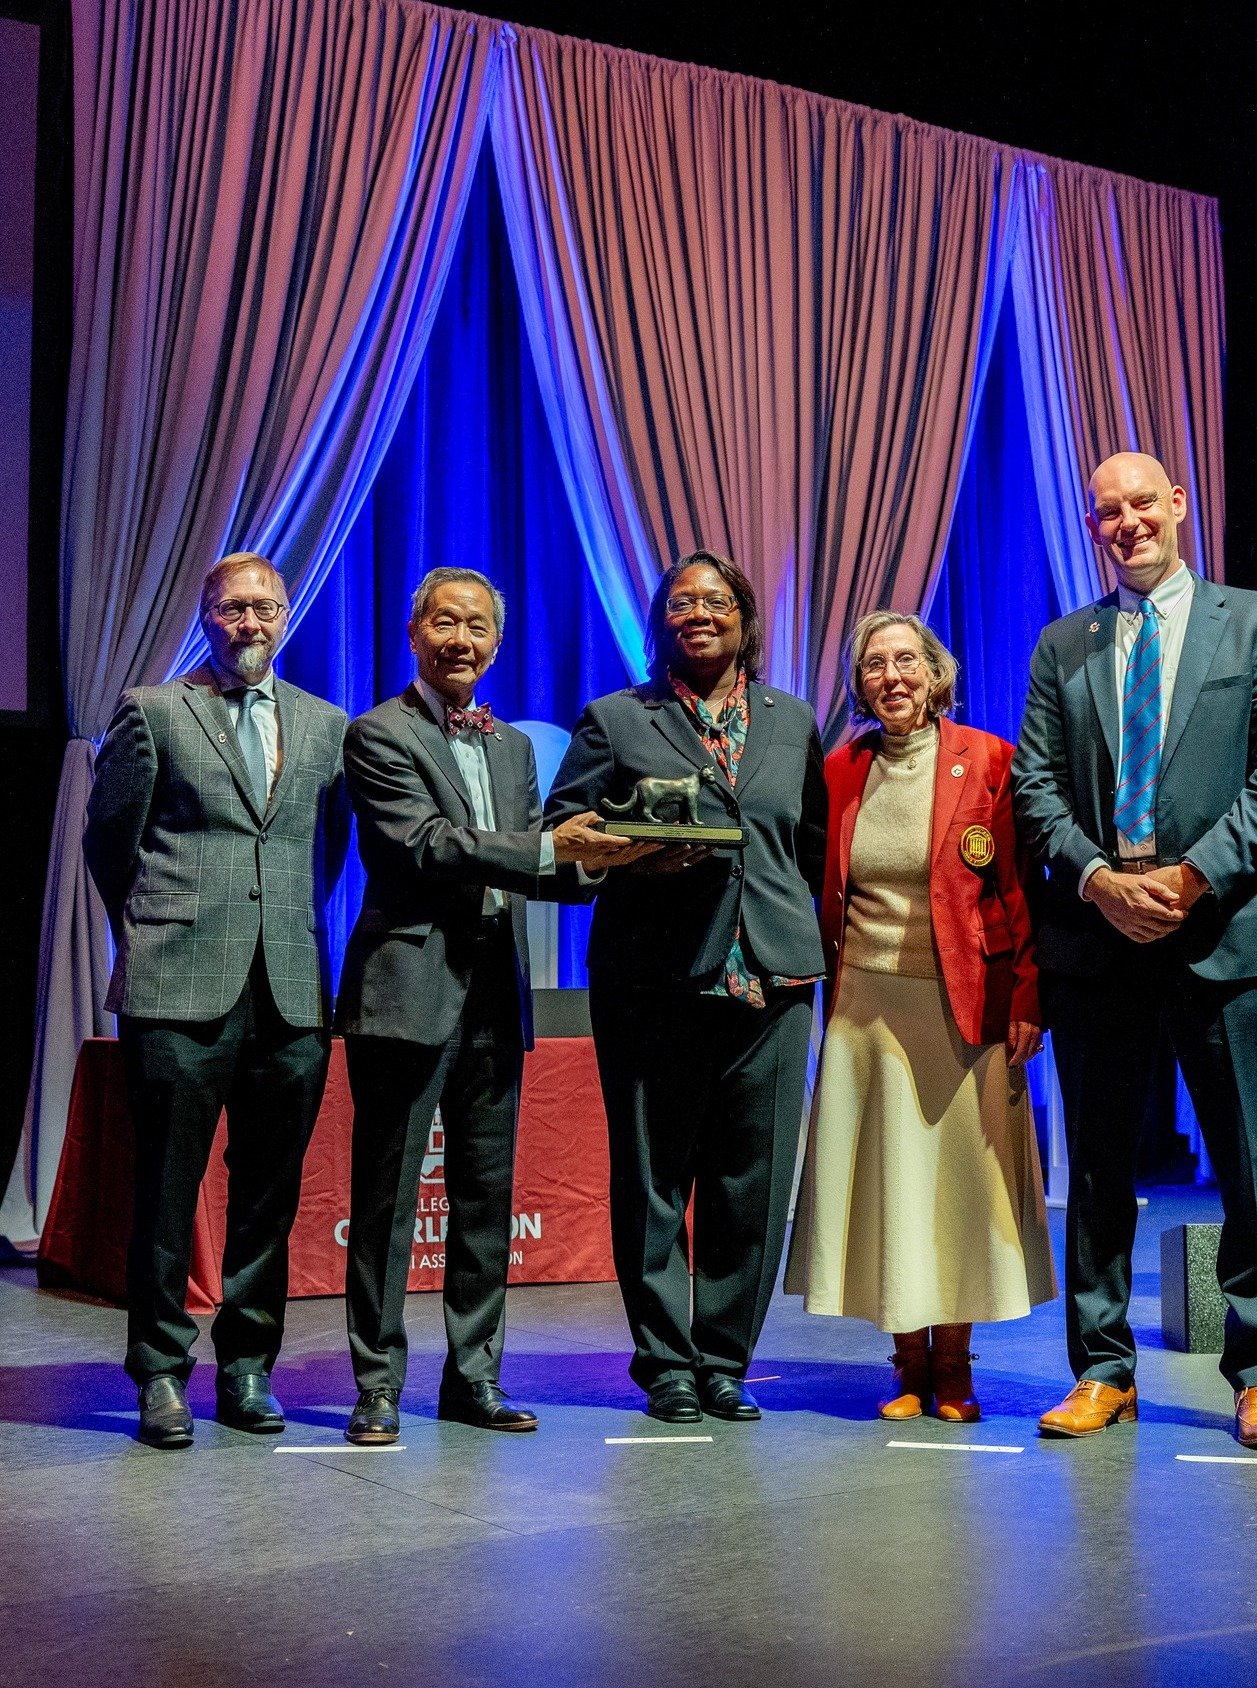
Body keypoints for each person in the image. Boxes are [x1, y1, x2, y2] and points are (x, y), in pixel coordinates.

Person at [1013, 451, 1257, 1449]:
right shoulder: (1064, 641)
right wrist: (1103, 882)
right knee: (1099, 1165)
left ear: (1179, 504)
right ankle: (1102, 1369)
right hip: (1100, 935)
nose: (1126, 520)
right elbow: (1034, 790)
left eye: (1142, 501)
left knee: (1252, 1161)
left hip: (1225, 927)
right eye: (1106, 509)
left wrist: (1186, 880)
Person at [337, 567, 648, 1446]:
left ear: (496, 645)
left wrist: (623, 862)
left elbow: (544, 866)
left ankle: (473, 1378)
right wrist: (555, 849)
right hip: (404, 992)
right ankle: (377, 1385)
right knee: (387, 1202)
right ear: (414, 633)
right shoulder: (378, 733)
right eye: (445, 622)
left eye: (477, 627)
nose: (460, 640)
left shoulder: (513, 748)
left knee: (485, 1199)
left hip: (492, 997)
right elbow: (428, 847)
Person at [545, 550, 827, 1425]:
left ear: (744, 619)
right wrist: (625, 852)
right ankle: (666, 1362)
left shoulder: (792, 721)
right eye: (679, 603)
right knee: (653, 1181)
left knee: (753, 1184)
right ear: (661, 622)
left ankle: (724, 1360)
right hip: (652, 981)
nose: (696, 614)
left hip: (771, 980)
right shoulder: (616, 719)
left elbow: (806, 846)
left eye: (713, 601)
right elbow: (562, 836)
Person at [84, 553, 349, 1449]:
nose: (251, 622)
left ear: (286, 616)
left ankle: (246, 1366)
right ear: (206, 616)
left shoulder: (324, 724)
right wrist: (160, 932)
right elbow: (109, 842)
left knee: (269, 1196)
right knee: (165, 1192)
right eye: (233, 607)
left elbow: (330, 852)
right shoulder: (153, 709)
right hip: (177, 985)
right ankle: (160, 1372)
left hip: (291, 988)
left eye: (266, 607)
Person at [785, 612, 1055, 1420]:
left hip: (964, 1003)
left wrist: (1028, 999)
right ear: (859, 684)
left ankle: (953, 1368)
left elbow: (1019, 892)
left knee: (957, 1191)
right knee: (886, 1186)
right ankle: (904, 1365)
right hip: (865, 1009)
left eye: (907, 660)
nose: (892, 676)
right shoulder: (837, 770)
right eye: (874, 665)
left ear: (936, 674)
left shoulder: (988, 760)